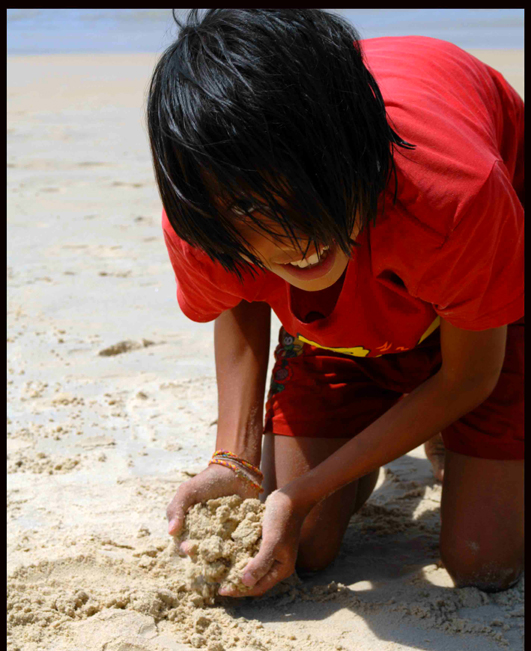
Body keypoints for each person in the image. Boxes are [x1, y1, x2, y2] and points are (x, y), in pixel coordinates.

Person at [146, 9, 524, 597]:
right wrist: (233, 460)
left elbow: (470, 375)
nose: (295, 238)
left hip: (467, 276)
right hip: (372, 263)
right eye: (248, 210)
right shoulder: (200, 212)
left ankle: (434, 423)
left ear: (354, 148)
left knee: (482, 564)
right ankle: (388, 400)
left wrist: (302, 491)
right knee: (309, 546)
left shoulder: (456, 192)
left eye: (307, 185)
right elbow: (237, 292)